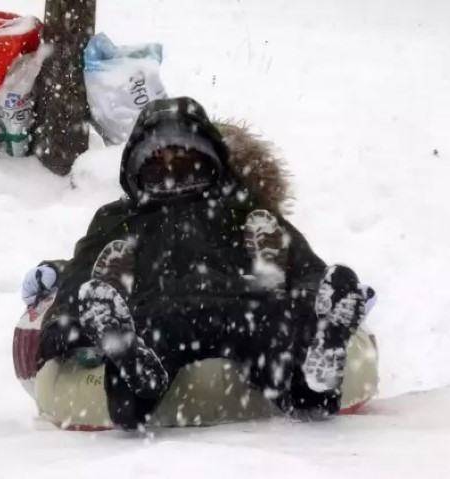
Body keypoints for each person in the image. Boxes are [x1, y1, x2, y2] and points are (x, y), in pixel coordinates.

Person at [22, 97, 375, 430]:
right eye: (158, 164)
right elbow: (79, 283)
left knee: (276, 328)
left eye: (186, 160)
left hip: (244, 310)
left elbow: (306, 269)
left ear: (211, 163)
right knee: (152, 341)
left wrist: (318, 302)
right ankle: (131, 362)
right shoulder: (119, 221)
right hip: (160, 314)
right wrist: (64, 334)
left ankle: (316, 371)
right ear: (137, 171)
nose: (174, 172)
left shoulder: (243, 212)